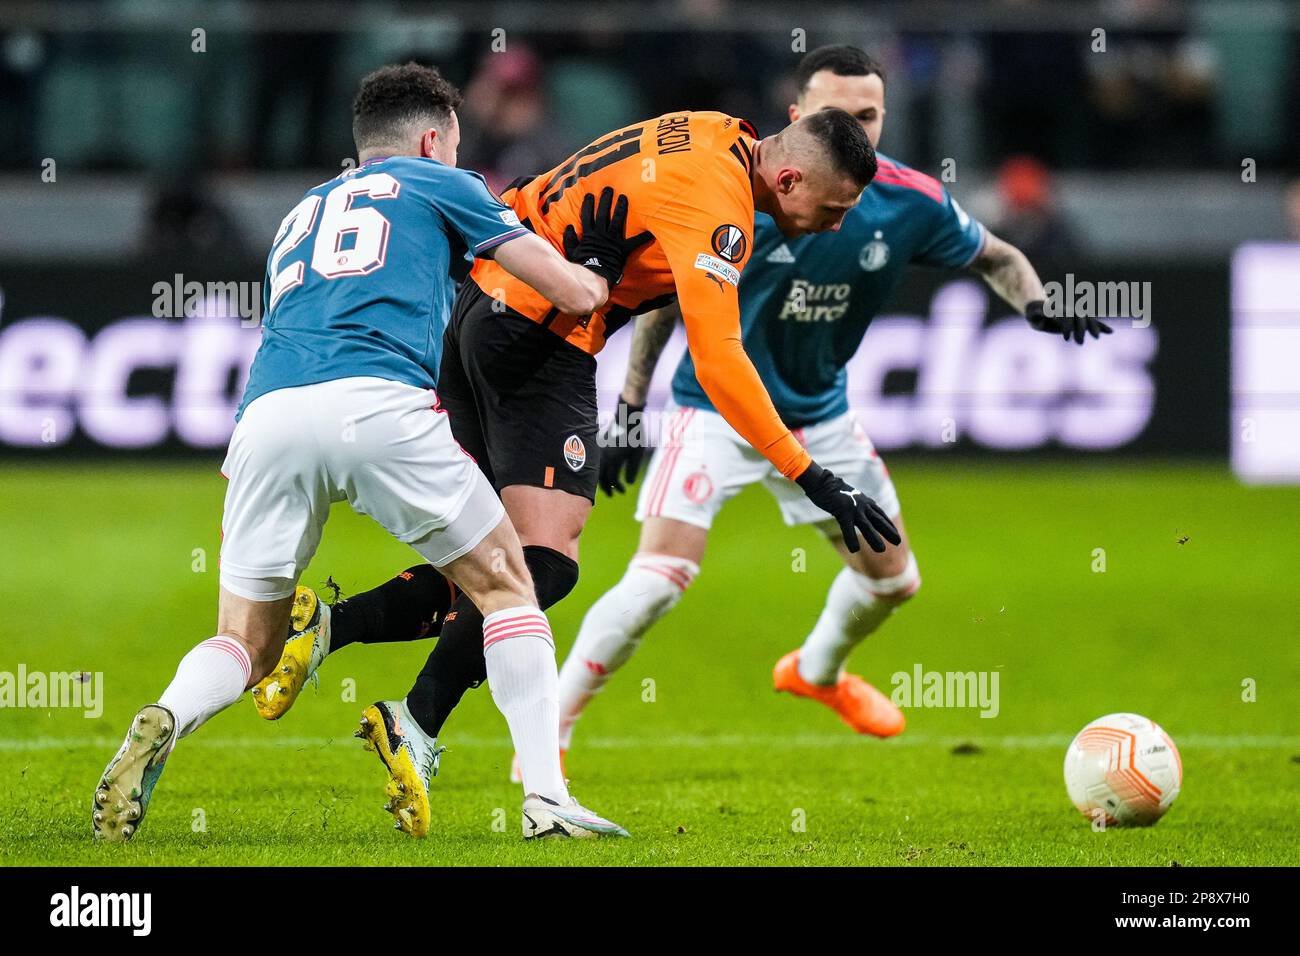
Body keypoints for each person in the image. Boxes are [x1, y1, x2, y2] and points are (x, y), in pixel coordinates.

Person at [251, 102, 902, 833]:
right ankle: (416, 719)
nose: (837, 224)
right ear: (788, 178)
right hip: (539, 333)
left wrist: (628, 406)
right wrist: (811, 474)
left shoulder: (717, 132)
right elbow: (721, 361)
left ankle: (332, 635)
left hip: (481, 315)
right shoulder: (723, 209)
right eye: (835, 206)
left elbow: (647, 240)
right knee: (541, 566)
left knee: (495, 560)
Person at [92, 63, 640, 843]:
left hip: (268, 417)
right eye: (451, 145)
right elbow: (573, 294)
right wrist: (601, 265)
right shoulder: (441, 183)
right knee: (510, 585)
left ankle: (166, 716)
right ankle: (547, 802)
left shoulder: (300, 212)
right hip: (378, 404)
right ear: (431, 139)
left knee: (246, 641)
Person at [552, 45, 1111, 763]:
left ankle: (816, 673)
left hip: (821, 419)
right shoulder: (739, 195)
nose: (857, 126)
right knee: (660, 577)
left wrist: (1039, 305)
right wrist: (631, 405)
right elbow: (664, 301)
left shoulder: (910, 203)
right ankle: (551, 729)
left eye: (870, 114)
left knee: (894, 580)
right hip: (713, 413)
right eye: (837, 114)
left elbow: (997, 256)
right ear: (797, 120)